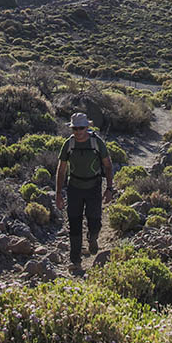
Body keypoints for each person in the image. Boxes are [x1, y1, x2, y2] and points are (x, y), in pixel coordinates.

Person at [55, 112, 114, 267]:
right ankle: (75, 259)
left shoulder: (97, 143)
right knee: (74, 223)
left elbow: (108, 166)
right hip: (74, 188)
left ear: (87, 127)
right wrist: (58, 193)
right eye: (75, 128)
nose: (78, 132)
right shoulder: (69, 144)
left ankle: (92, 237)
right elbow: (61, 170)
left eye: (81, 128)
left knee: (95, 220)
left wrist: (109, 188)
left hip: (93, 187)